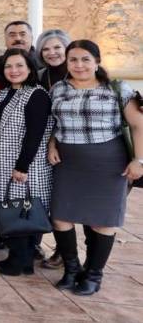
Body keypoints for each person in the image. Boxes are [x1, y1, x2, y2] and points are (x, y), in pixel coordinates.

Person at [48, 40, 143, 295]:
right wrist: (52, 145)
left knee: (103, 220)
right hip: (68, 162)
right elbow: (54, 123)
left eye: (85, 59)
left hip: (108, 163)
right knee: (60, 216)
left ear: (97, 62)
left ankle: (93, 275)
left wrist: (139, 160)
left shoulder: (116, 88)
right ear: (67, 63)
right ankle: (71, 269)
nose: (79, 65)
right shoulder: (58, 88)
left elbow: (138, 125)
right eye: (73, 60)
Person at [0, 49, 53, 276]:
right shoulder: (4, 92)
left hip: (25, 166)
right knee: (10, 211)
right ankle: (19, 260)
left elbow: (35, 134)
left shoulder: (37, 94)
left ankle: (20, 262)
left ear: (30, 68)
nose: (13, 71)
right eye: (8, 66)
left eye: (19, 66)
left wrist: (22, 166)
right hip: (3, 163)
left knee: (23, 212)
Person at [32, 28, 71, 269]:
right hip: (47, 144)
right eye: (46, 49)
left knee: (72, 201)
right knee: (53, 199)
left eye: (57, 47)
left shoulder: (79, 72)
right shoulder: (40, 75)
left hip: (75, 143)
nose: (52, 53)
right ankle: (61, 249)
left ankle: (71, 255)